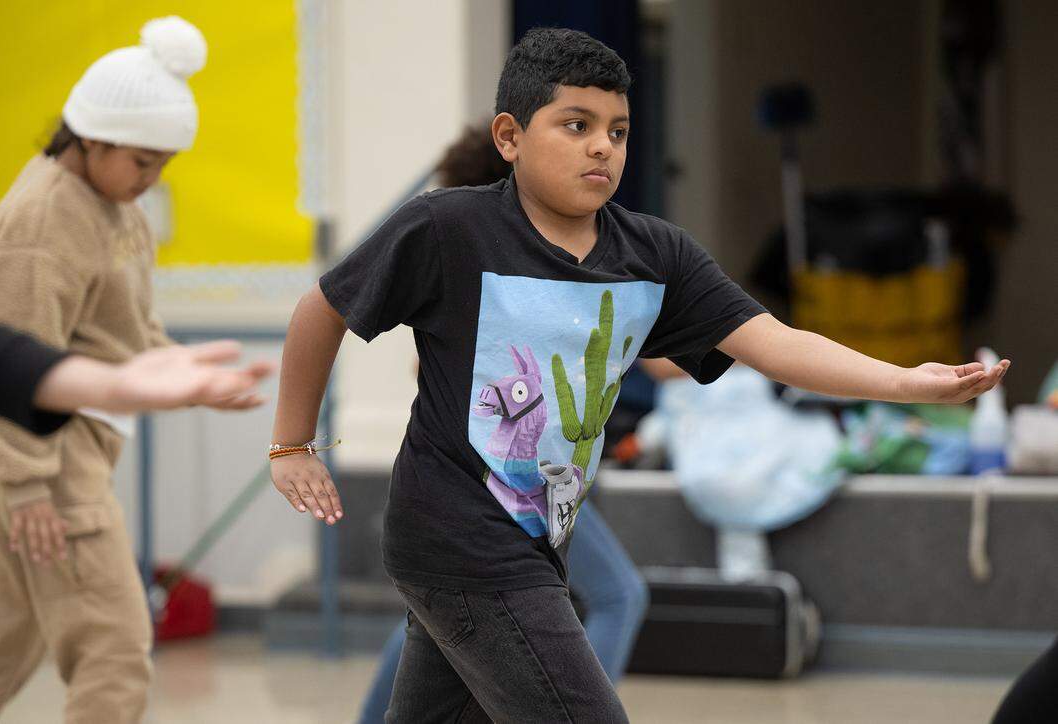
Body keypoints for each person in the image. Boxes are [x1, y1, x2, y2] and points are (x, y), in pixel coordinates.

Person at [270, 28, 1009, 722]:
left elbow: (776, 343)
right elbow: (324, 308)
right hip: (458, 535)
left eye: (617, 132)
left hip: (537, 539)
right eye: (576, 124)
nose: (602, 147)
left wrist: (907, 383)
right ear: (509, 137)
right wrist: (292, 444)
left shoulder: (655, 255)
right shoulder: (448, 228)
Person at [0, 16, 212, 723]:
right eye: (142, 164)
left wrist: (184, 370)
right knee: (114, 654)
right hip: (42, 454)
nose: (149, 181)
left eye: (161, 167)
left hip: (61, 445)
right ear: (89, 138)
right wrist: (27, 489)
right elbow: (7, 360)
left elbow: (127, 326)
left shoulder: (116, 207)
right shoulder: (41, 222)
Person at [356, 123, 647, 724]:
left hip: (502, 494)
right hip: (511, 491)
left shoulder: (509, 277)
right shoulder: (499, 276)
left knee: (440, 622)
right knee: (617, 595)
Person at [0, 288, 273, 433]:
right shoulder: (42, 214)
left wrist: (112, 385)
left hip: (92, 435)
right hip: (53, 465)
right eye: (140, 162)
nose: (149, 179)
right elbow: (9, 328)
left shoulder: (123, 212)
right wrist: (24, 484)